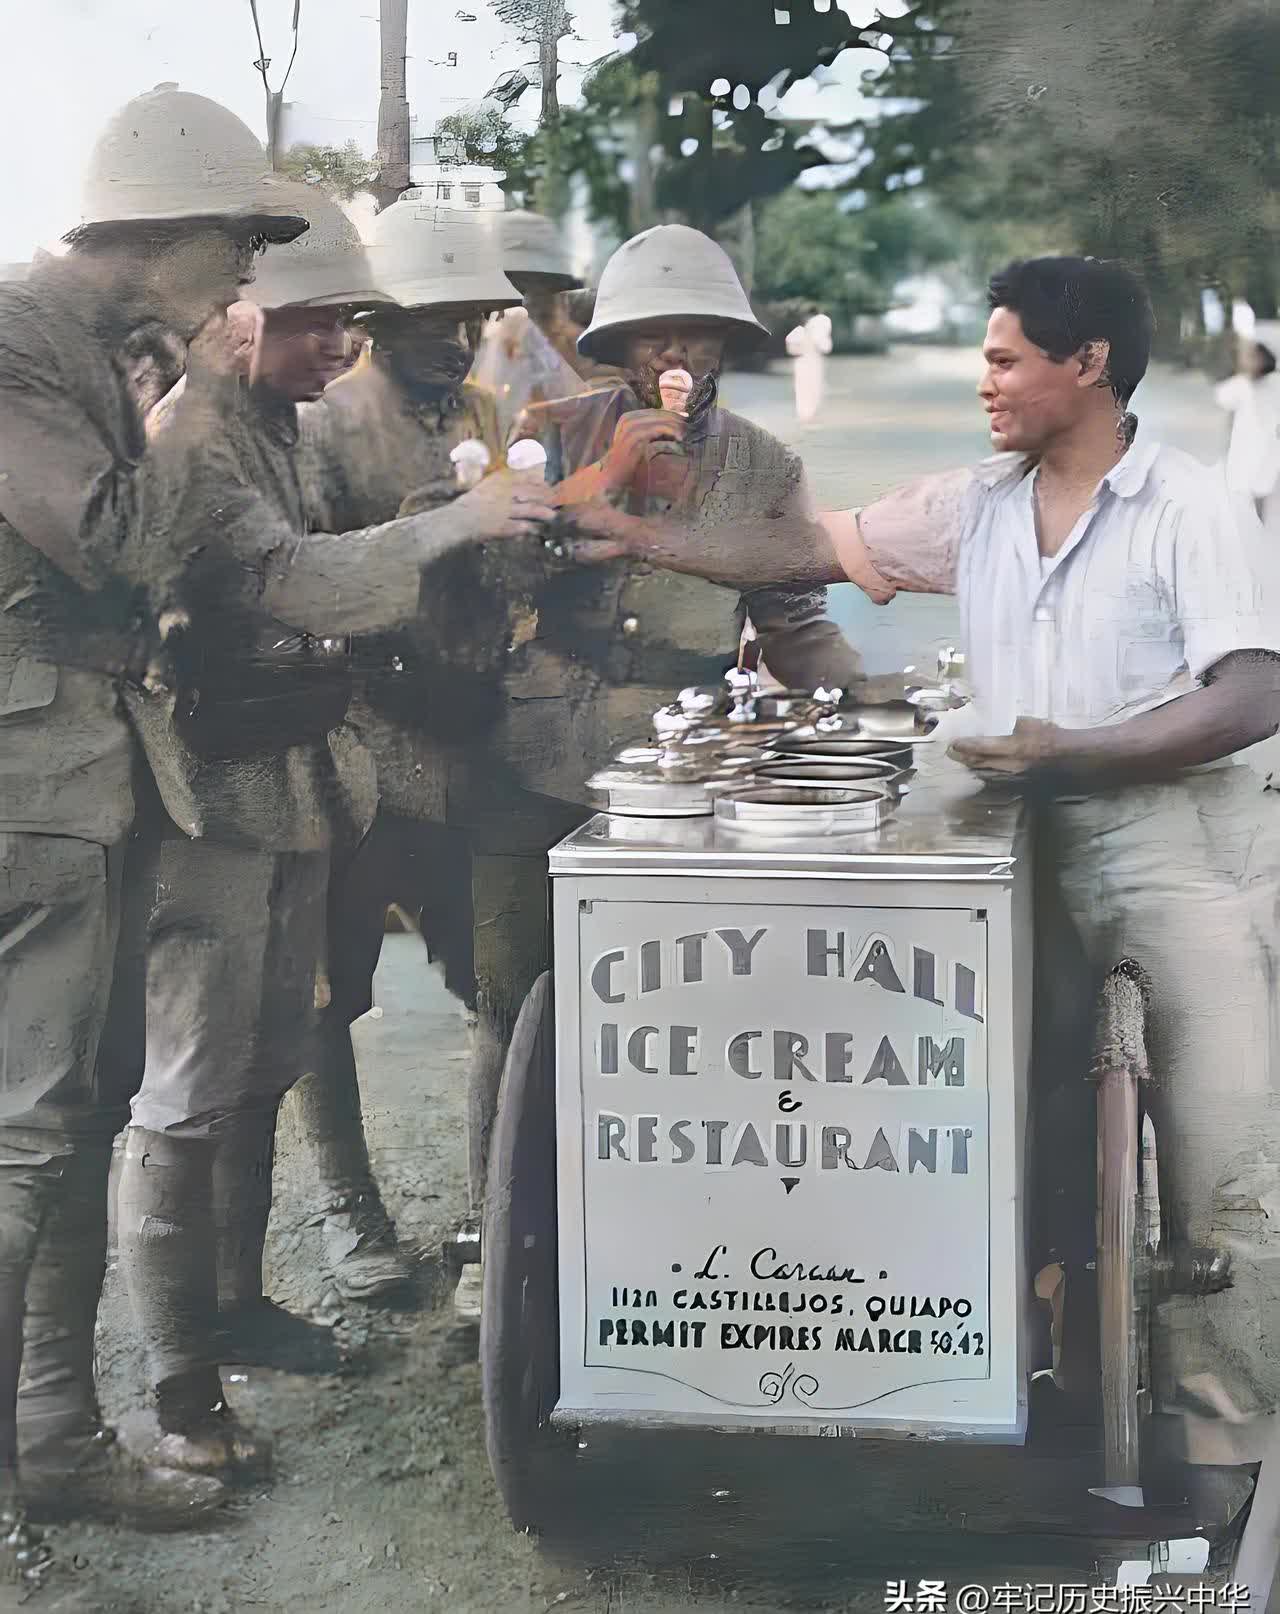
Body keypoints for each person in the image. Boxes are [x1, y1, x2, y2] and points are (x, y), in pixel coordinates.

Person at [571, 253, 1280, 1446]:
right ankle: (1047, 1379)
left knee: (1221, 1175)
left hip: (1178, 849)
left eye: (1003, 359)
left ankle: (1221, 1453)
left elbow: (1250, 694)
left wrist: (1078, 751)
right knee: (1022, 1128)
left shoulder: (1187, 504)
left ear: (1088, 363)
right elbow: (797, 547)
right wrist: (634, 538)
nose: (985, 383)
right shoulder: (976, 505)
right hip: (1028, 848)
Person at [111, 188, 555, 1482]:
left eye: (348, 323)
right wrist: (453, 524)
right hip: (208, 793)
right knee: (186, 1092)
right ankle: (181, 1386)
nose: (338, 347)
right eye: (316, 324)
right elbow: (301, 579)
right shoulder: (198, 435)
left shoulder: (273, 425)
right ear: (240, 316)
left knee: (267, 1057)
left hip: (293, 778)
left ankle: (238, 1302)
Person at [0, 83, 309, 1536]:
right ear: (161, 229)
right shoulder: (16, 331)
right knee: (25, 1138)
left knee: (73, 1118)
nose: (246, 277)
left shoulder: (93, 343)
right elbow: (116, 542)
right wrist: (187, 405)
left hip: (98, 769)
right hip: (32, 776)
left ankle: (58, 1444)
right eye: (234, 243)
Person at [294, 202, 529, 1309]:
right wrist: (412, 526)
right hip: (359, 740)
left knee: (492, 980)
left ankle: (499, 1222)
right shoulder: (329, 422)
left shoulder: (484, 405)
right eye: (428, 320)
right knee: (326, 994)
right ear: (377, 322)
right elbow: (293, 576)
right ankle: (349, 1210)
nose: (452, 339)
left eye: (470, 317)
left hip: (468, 738)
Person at [1216, 322, 1280, 533]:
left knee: (1262, 489)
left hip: (1268, 449)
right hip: (1245, 449)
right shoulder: (1242, 384)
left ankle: (1259, 531)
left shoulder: (1274, 383)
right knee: (1244, 491)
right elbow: (1222, 397)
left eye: (1253, 356)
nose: (1248, 361)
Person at [785, 305, 832, 428]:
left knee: (803, 387)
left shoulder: (800, 330)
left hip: (802, 360)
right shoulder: (821, 322)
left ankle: (805, 415)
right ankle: (809, 415)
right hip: (812, 359)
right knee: (812, 386)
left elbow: (790, 347)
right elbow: (824, 346)